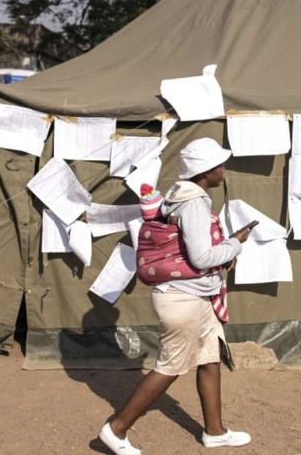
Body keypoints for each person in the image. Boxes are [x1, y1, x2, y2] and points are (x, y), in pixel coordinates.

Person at [99, 138, 253, 454]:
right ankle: (116, 429)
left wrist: (223, 253)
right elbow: (200, 257)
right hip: (184, 298)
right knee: (170, 366)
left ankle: (215, 431)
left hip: (197, 296)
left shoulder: (177, 195)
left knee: (210, 358)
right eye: (220, 165)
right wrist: (236, 243)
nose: (224, 170)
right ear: (208, 171)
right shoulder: (194, 203)